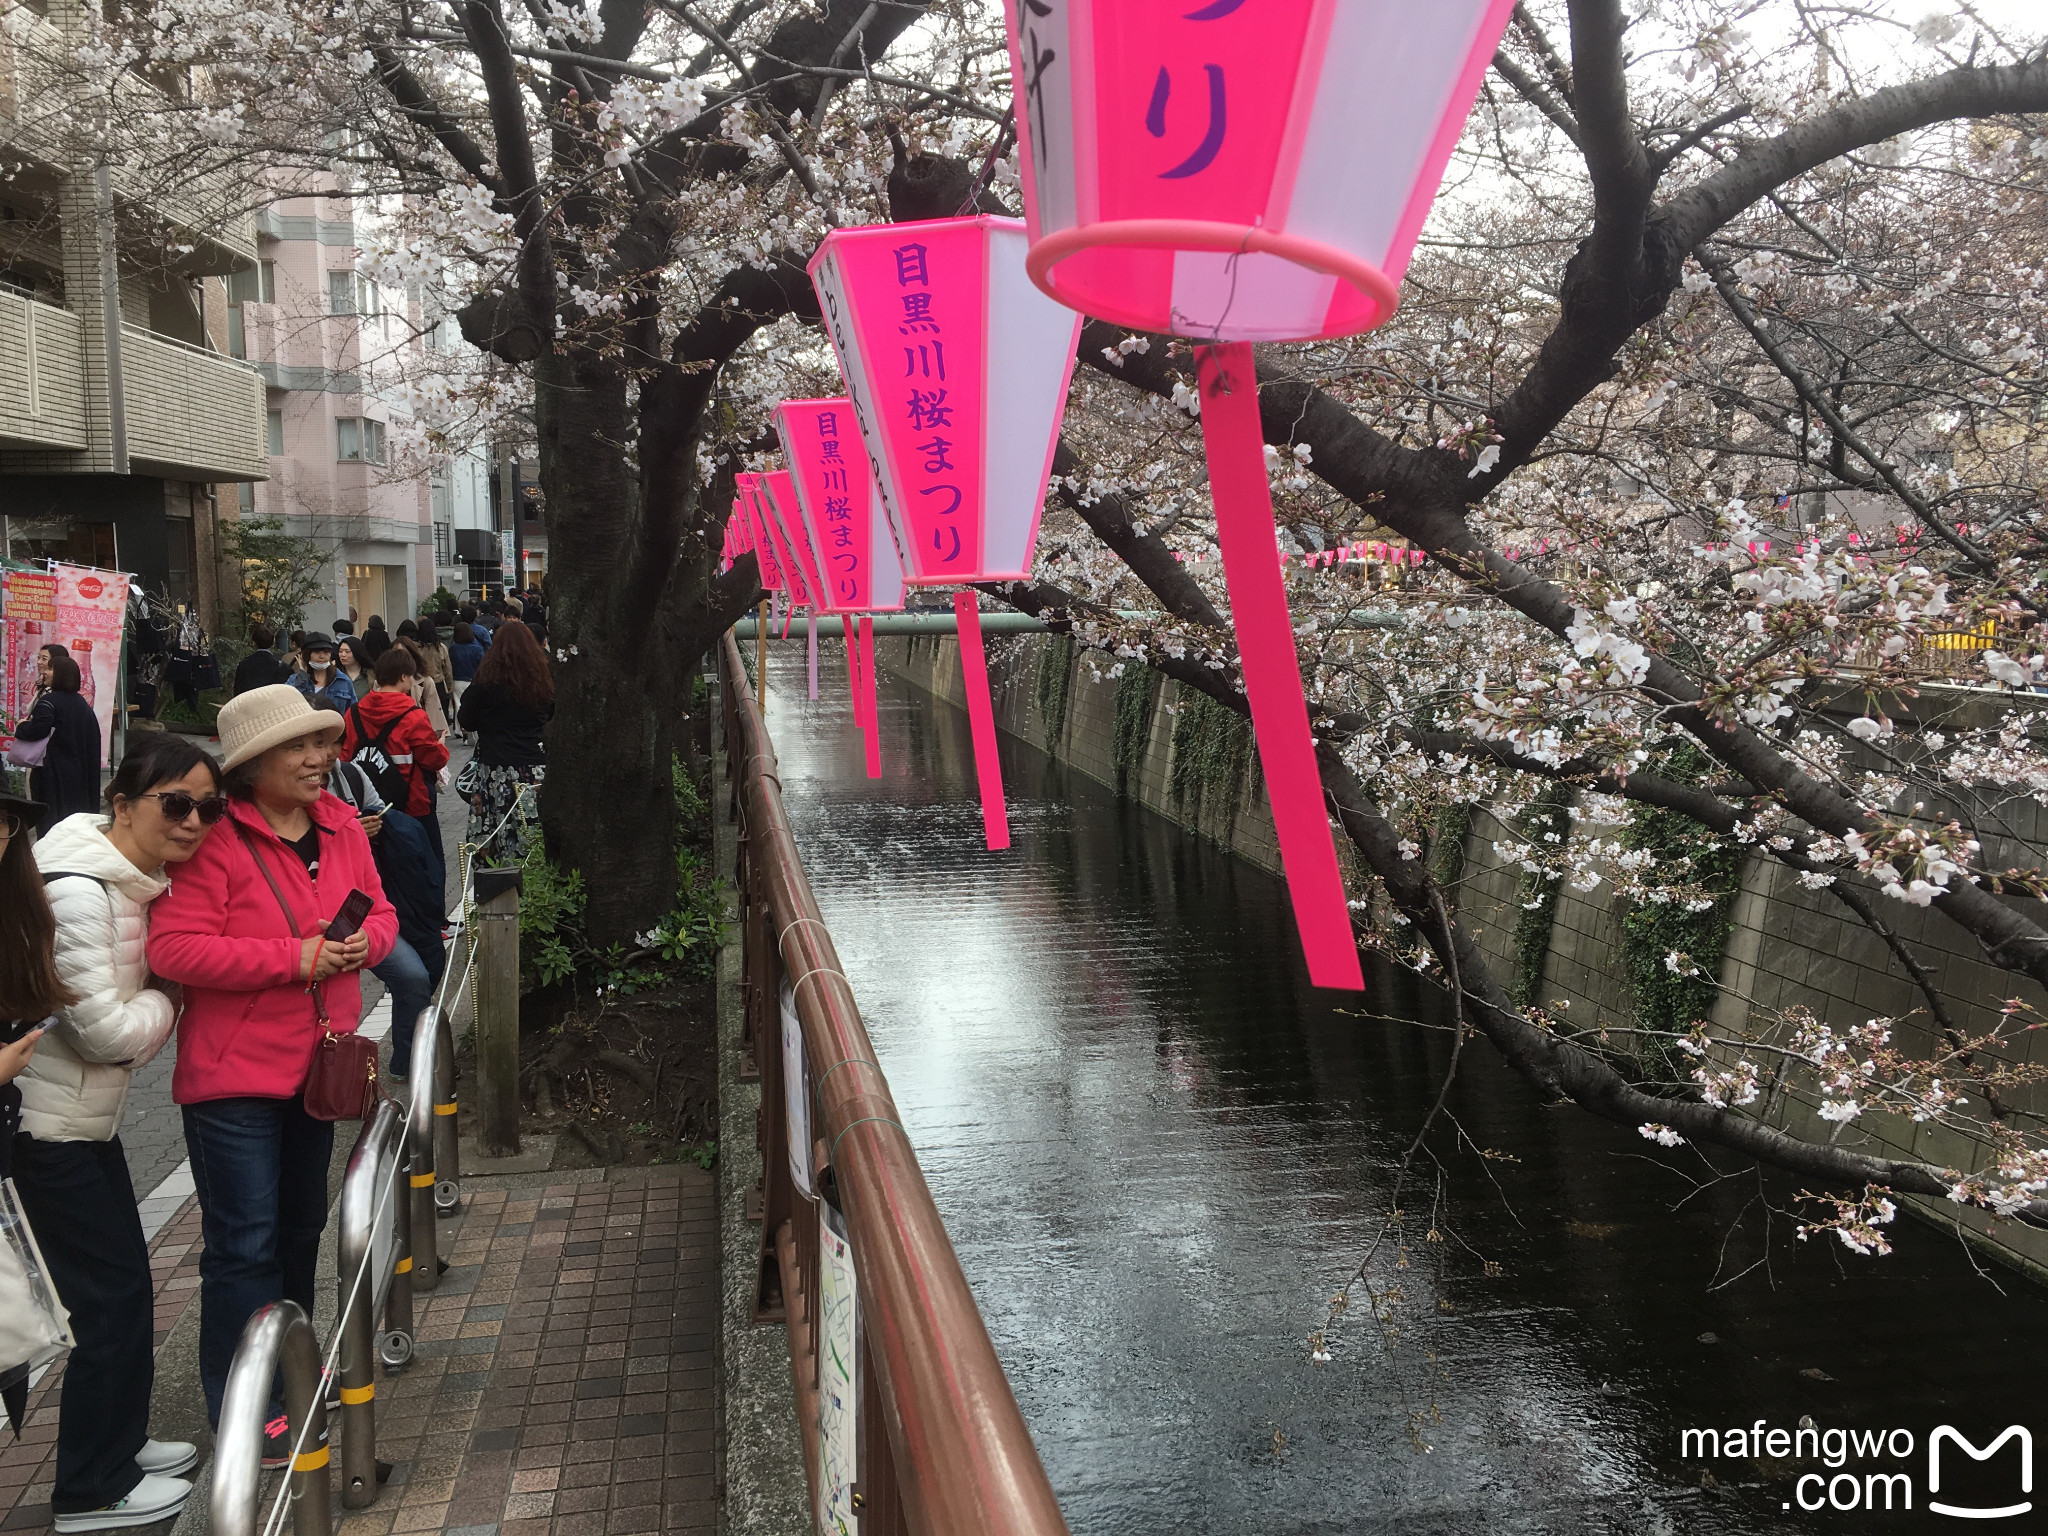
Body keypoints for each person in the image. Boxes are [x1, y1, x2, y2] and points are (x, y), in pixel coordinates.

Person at [146, 686, 397, 1449]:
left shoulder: (342, 824)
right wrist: (299, 958)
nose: (323, 758)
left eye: (323, 743)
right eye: (301, 747)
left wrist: (365, 947)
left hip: (317, 1067)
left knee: (302, 1227)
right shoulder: (213, 838)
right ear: (253, 765)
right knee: (243, 1244)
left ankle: (289, 1365)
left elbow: (381, 914)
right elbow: (175, 950)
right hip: (234, 1080)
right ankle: (242, 1407)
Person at [17, 737, 223, 1532]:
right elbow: (102, 1032)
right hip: (47, 1132)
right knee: (106, 1302)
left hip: (82, 1124)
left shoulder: (128, 883)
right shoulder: (78, 891)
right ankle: (89, 1490)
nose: (193, 821)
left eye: (208, 807)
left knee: (125, 1289)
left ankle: (121, 1446)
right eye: (176, 803)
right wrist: (172, 996)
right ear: (123, 801)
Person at [325, 742, 443, 1083]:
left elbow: (380, 810)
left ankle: (407, 1061)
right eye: (307, 743)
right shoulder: (279, 796)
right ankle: (329, 1076)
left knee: (414, 976)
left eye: (328, 741)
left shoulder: (350, 775)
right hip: (307, 921)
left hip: (362, 907)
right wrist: (347, 835)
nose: (320, 753)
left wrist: (374, 823)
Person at [455, 619, 551, 862]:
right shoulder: (543, 682)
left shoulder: (485, 683)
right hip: (533, 769)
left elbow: (466, 720)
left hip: (494, 770)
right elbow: (551, 715)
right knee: (532, 839)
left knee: (493, 840)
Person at [15, 648, 102, 835]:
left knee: (49, 821)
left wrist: (21, 726)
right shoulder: (82, 705)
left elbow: (36, 730)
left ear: (60, 674)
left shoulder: (49, 701)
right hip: (78, 773)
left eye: (50, 668)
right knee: (69, 823)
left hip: (51, 773)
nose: (44, 672)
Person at [288, 632, 354, 711]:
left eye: (326, 652)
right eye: (316, 652)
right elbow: (288, 706)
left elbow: (352, 712)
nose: (322, 656)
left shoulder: (343, 681)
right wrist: (302, 678)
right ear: (306, 654)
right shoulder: (294, 680)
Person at [447, 622, 485, 740]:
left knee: (458, 704)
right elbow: (482, 666)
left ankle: (459, 730)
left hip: (457, 679)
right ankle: (471, 730)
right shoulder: (477, 649)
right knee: (472, 704)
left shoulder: (453, 648)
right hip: (473, 679)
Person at [233, 624, 284, 696]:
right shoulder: (282, 667)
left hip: (249, 704)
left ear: (254, 643)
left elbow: (237, 691)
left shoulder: (244, 664)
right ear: (273, 643)